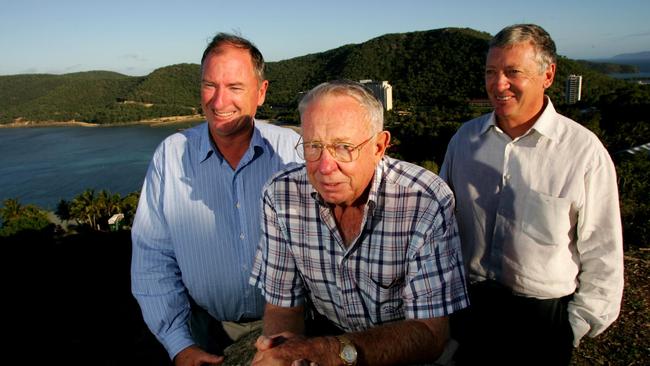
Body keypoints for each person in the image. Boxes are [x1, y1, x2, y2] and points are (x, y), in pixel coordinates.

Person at [440, 24, 624, 365]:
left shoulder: (583, 152)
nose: (498, 84)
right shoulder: (464, 141)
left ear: (548, 74)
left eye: (513, 72)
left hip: (542, 318)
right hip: (469, 307)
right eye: (491, 72)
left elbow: (603, 250)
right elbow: (441, 226)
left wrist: (574, 326)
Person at [249, 80, 469, 365]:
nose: (325, 166)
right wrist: (279, 353)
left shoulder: (424, 201)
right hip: (325, 338)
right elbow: (283, 306)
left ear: (379, 146)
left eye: (343, 147)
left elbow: (431, 333)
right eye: (313, 146)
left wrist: (330, 352)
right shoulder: (280, 195)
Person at [130, 33, 302, 366]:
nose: (219, 101)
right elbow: (153, 260)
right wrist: (180, 345)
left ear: (261, 92)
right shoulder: (171, 155)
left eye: (235, 87)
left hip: (295, 326)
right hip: (206, 331)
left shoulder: (292, 152)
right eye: (210, 85)